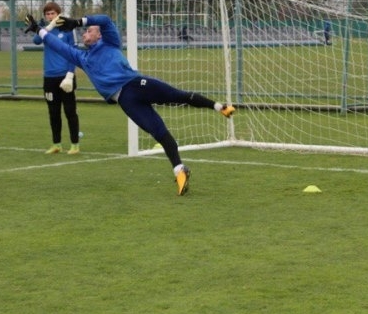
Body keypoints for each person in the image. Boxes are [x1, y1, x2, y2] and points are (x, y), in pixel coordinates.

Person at [25, 12, 235, 196]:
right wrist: (38, 29)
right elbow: (58, 45)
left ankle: (220, 107)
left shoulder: (110, 42)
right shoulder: (82, 57)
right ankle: (180, 170)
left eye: (89, 31)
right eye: (85, 31)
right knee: (158, 132)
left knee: (178, 96)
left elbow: (105, 20)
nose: (85, 34)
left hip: (136, 85)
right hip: (125, 100)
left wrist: (78, 22)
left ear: (99, 35)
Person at [31, 1, 81, 155]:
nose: (50, 16)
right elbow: (36, 41)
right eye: (47, 14)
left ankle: (75, 145)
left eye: (53, 13)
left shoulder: (68, 30)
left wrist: (70, 75)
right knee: (53, 112)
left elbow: (74, 53)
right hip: (49, 77)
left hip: (65, 77)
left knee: (70, 111)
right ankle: (56, 144)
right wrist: (48, 28)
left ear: (58, 14)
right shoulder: (45, 30)